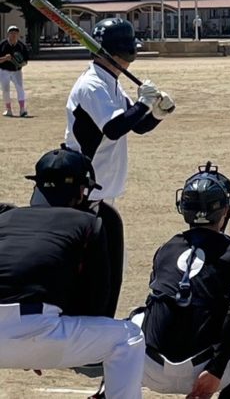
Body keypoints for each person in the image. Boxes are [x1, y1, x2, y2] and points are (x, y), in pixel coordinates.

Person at [131, 163, 230, 399]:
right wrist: (216, 370)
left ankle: (107, 389)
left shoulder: (165, 248)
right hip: (205, 374)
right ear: (225, 210)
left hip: (149, 371)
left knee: (137, 316)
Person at [0, 147, 145, 399]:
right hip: (41, 331)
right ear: (81, 191)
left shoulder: (4, 217)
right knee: (129, 337)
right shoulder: (89, 223)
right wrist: (37, 349)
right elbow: (96, 302)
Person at [62, 17, 174, 317]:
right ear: (121, 52)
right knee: (92, 269)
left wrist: (155, 113)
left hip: (103, 188)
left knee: (109, 266)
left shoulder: (110, 81)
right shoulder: (92, 85)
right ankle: (86, 325)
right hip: (83, 191)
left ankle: (100, 323)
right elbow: (113, 128)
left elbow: (134, 126)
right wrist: (142, 104)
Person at [0, 25, 30, 117]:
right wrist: (5, 58)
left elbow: (25, 61)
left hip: (16, 71)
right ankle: (8, 110)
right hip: (4, 71)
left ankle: (22, 110)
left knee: (20, 89)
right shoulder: (2, 45)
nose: (13, 35)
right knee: (5, 90)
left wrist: (20, 63)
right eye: (11, 33)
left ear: (18, 34)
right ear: (8, 34)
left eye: (15, 33)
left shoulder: (21, 46)